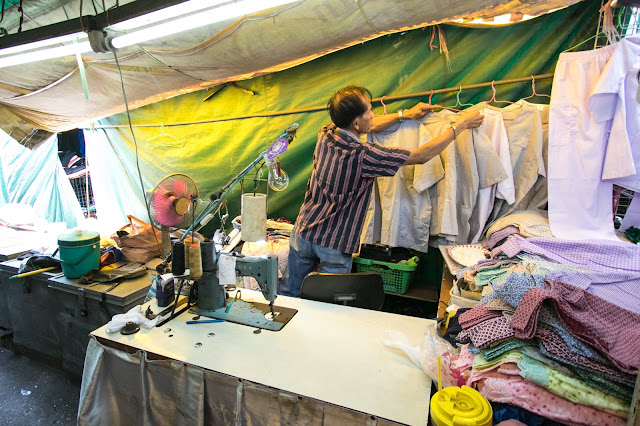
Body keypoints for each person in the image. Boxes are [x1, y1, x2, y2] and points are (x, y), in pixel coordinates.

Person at [279, 85, 484, 297]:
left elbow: (368, 126)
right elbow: (421, 156)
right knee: (331, 303)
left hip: (304, 231)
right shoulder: (363, 156)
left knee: (289, 293)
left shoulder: (326, 133)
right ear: (356, 122)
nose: (373, 115)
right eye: (369, 111)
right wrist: (459, 126)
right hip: (334, 242)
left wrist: (406, 115)